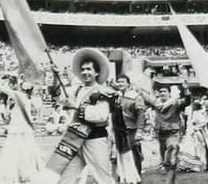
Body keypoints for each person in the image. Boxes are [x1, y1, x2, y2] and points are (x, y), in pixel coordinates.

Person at [46, 48, 115, 184]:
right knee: (66, 178)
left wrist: (75, 106)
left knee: (102, 178)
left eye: (89, 69)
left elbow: (101, 116)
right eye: (83, 69)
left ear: (96, 72)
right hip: (75, 139)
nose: (85, 72)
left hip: (94, 138)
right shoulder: (77, 90)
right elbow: (59, 97)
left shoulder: (103, 92)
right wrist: (55, 76)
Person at [142, 81, 191, 184]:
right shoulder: (156, 103)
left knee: (170, 159)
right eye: (161, 92)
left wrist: (186, 89)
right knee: (166, 162)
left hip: (173, 133)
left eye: (164, 91)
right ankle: (172, 181)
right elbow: (145, 97)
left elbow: (187, 101)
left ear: (169, 93)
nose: (162, 93)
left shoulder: (175, 103)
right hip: (161, 134)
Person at [111, 74, 144, 184]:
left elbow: (140, 114)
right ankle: (122, 179)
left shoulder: (135, 97)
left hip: (131, 130)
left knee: (134, 157)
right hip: (118, 131)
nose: (120, 84)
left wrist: (139, 131)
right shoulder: (117, 97)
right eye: (118, 82)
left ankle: (136, 179)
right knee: (119, 157)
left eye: (122, 82)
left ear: (128, 84)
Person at [177, 101, 208, 172]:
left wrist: (196, 127)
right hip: (189, 132)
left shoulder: (199, 113)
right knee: (188, 148)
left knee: (197, 149)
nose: (192, 107)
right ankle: (187, 165)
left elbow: (204, 122)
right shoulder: (191, 113)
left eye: (194, 106)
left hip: (195, 133)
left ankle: (196, 166)